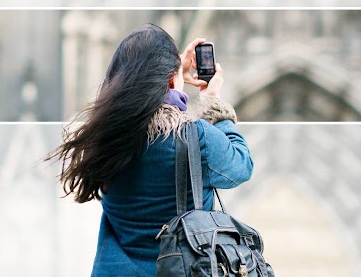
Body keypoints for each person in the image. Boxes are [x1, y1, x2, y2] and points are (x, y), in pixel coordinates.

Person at [47, 23, 254, 276]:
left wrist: (169, 69)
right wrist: (214, 105)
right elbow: (241, 166)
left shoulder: (103, 138)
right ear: (170, 79)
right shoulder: (194, 137)